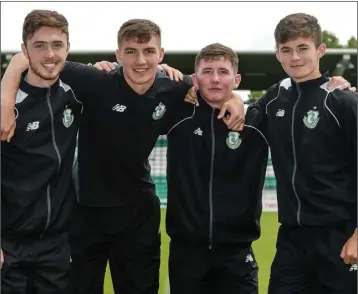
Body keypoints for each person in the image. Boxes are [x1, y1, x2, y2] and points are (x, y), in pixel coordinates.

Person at [1, 18, 243, 294]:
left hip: (138, 216)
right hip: (85, 213)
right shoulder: (93, 79)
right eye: (131, 52)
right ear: (118, 56)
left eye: (149, 52)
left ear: (160, 55)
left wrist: (234, 100)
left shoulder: (174, 88)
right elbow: (27, 58)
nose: (141, 61)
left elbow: (214, 87)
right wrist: (6, 102)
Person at [250, 13, 357, 293]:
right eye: (286, 50)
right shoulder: (274, 98)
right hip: (291, 238)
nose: (294, 57)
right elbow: (240, 123)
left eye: (302, 48)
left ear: (320, 50)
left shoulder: (342, 101)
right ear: (277, 54)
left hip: (340, 234)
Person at [161, 43, 268, 294]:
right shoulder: (178, 114)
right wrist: (165, 70)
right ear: (195, 78)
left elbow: (295, 93)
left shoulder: (256, 121)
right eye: (207, 72)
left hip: (237, 254)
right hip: (187, 254)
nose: (216, 79)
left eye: (223, 72)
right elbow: (143, 77)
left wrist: (338, 84)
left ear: (237, 78)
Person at [0, 10, 82, 293]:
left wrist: (229, 94)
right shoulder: (7, 107)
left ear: (68, 48)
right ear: (24, 50)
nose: (50, 54)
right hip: (8, 245)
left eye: (57, 45)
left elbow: (134, 81)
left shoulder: (75, 95)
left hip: (55, 245)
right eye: (39, 45)